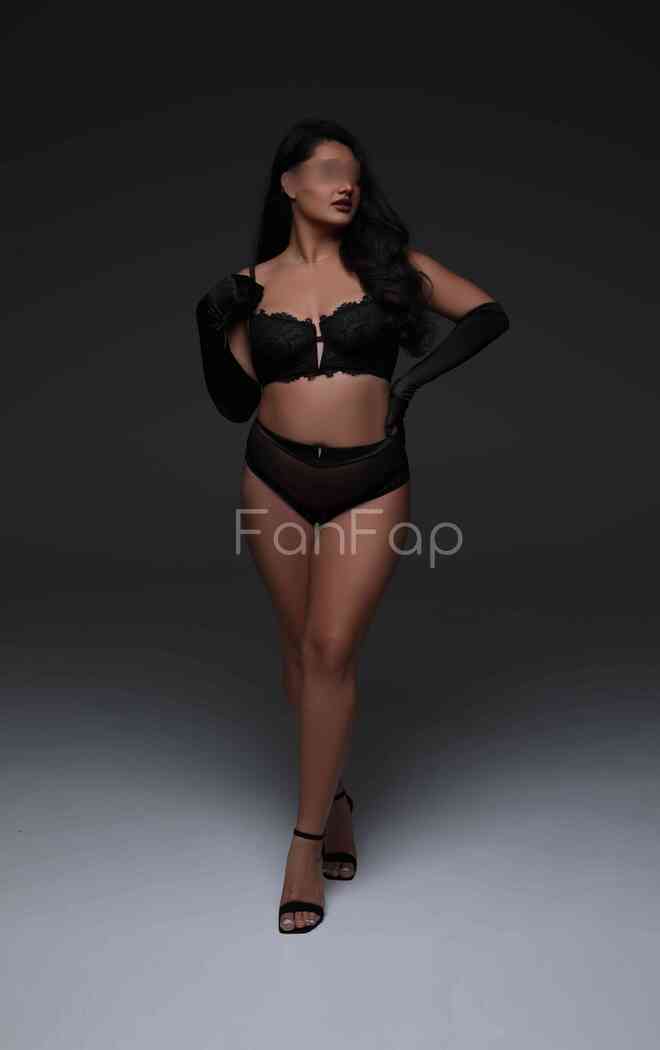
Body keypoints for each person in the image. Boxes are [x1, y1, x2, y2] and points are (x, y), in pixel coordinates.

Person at [195, 118, 510, 934]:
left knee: (332, 648)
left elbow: (487, 314)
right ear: (288, 184)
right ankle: (332, 798)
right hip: (273, 476)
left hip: (370, 481)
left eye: (356, 174)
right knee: (300, 649)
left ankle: (303, 845)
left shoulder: (389, 268)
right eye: (330, 169)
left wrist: (409, 386)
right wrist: (209, 322)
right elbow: (232, 402)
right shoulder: (249, 285)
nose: (348, 185)